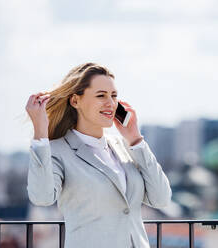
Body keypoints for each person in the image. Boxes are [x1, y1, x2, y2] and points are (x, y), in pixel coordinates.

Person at [25, 62, 172, 248]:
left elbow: (161, 198)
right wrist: (40, 133)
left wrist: (135, 139)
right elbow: (42, 197)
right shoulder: (57, 150)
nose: (110, 103)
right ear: (75, 101)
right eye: (101, 95)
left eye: (114, 96)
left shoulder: (124, 146)